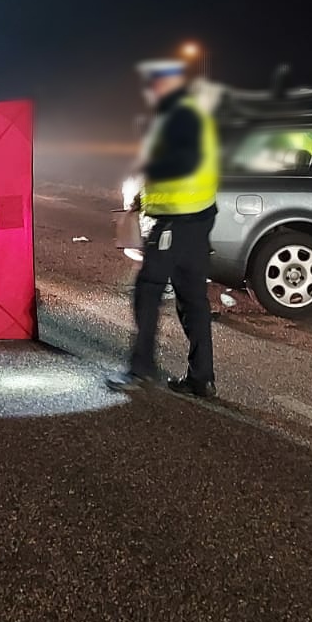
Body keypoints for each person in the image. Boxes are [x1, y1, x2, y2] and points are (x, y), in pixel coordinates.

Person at [109, 58, 220, 397]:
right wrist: (145, 196)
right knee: (192, 300)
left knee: (148, 290)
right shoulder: (194, 115)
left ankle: (141, 370)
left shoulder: (176, 119)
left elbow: (174, 167)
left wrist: (150, 196)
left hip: (176, 219)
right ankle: (201, 378)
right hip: (199, 217)